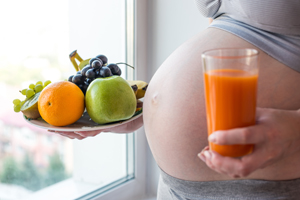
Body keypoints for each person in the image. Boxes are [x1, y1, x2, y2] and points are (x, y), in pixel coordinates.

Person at [54, 0, 300, 199]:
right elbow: (227, 29)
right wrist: (144, 109)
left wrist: (295, 131)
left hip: (265, 180)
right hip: (173, 187)